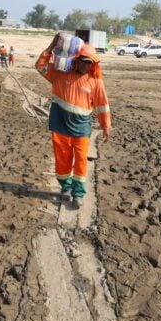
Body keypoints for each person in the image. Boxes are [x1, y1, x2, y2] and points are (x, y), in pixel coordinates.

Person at [35, 34, 111, 207]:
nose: (86, 65)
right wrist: (52, 45)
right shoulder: (59, 74)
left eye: (89, 63)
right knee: (63, 159)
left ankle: (78, 192)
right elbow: (40, 66)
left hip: (82, 127)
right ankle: (66, 188)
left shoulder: (96, 81)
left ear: (94, 65)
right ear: (76, 59)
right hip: (60, 123)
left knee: (81, 160)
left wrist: (106, 126)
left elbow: (102, 105)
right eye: (83, 61)